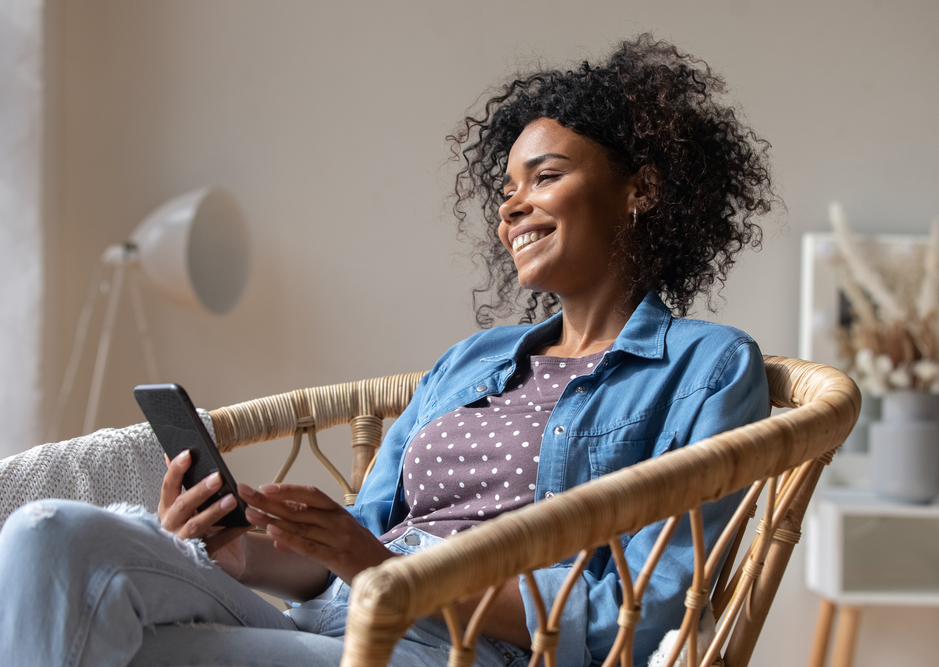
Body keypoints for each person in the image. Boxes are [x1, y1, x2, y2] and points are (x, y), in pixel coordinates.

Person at [0, 34, 775, 667]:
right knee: (47, 535)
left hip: (466, 650)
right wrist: (235, 548)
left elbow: (636, 615)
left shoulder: (707, 368)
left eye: (544, 176)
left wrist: (392, 573)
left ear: (641, 189)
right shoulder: (470, 362)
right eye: (506, 190)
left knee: (100, 643)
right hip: (335, 624)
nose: (511, 208)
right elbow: (349, 552)